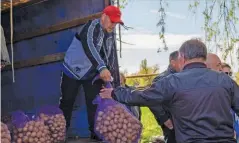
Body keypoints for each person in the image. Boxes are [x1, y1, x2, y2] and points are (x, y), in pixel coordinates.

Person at [100, 39, 239, 143]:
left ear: (183, 58)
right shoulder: (226, 81)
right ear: (204, 57)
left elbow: (142, 96)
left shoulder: (173, 81)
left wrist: (113, 93)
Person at [59, 5, 124, 141]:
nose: (114, 25)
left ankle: (95, 135)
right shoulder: (91, 27)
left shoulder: (110, 35)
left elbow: (110, 57)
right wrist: (101, 67)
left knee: (94, 103)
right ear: (103, 17)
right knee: (67, 102)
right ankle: (61, 134)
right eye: (112, 21)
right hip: (73, 70)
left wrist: (111, 80)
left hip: (90, 74)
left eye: (116, 23)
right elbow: (89, 45)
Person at [150, 51, 180, 143]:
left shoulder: (182, 76)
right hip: (171, 124)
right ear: (173, 62)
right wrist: (164, 119)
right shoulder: (162, 79)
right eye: (181, 60)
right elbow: (152, 100)